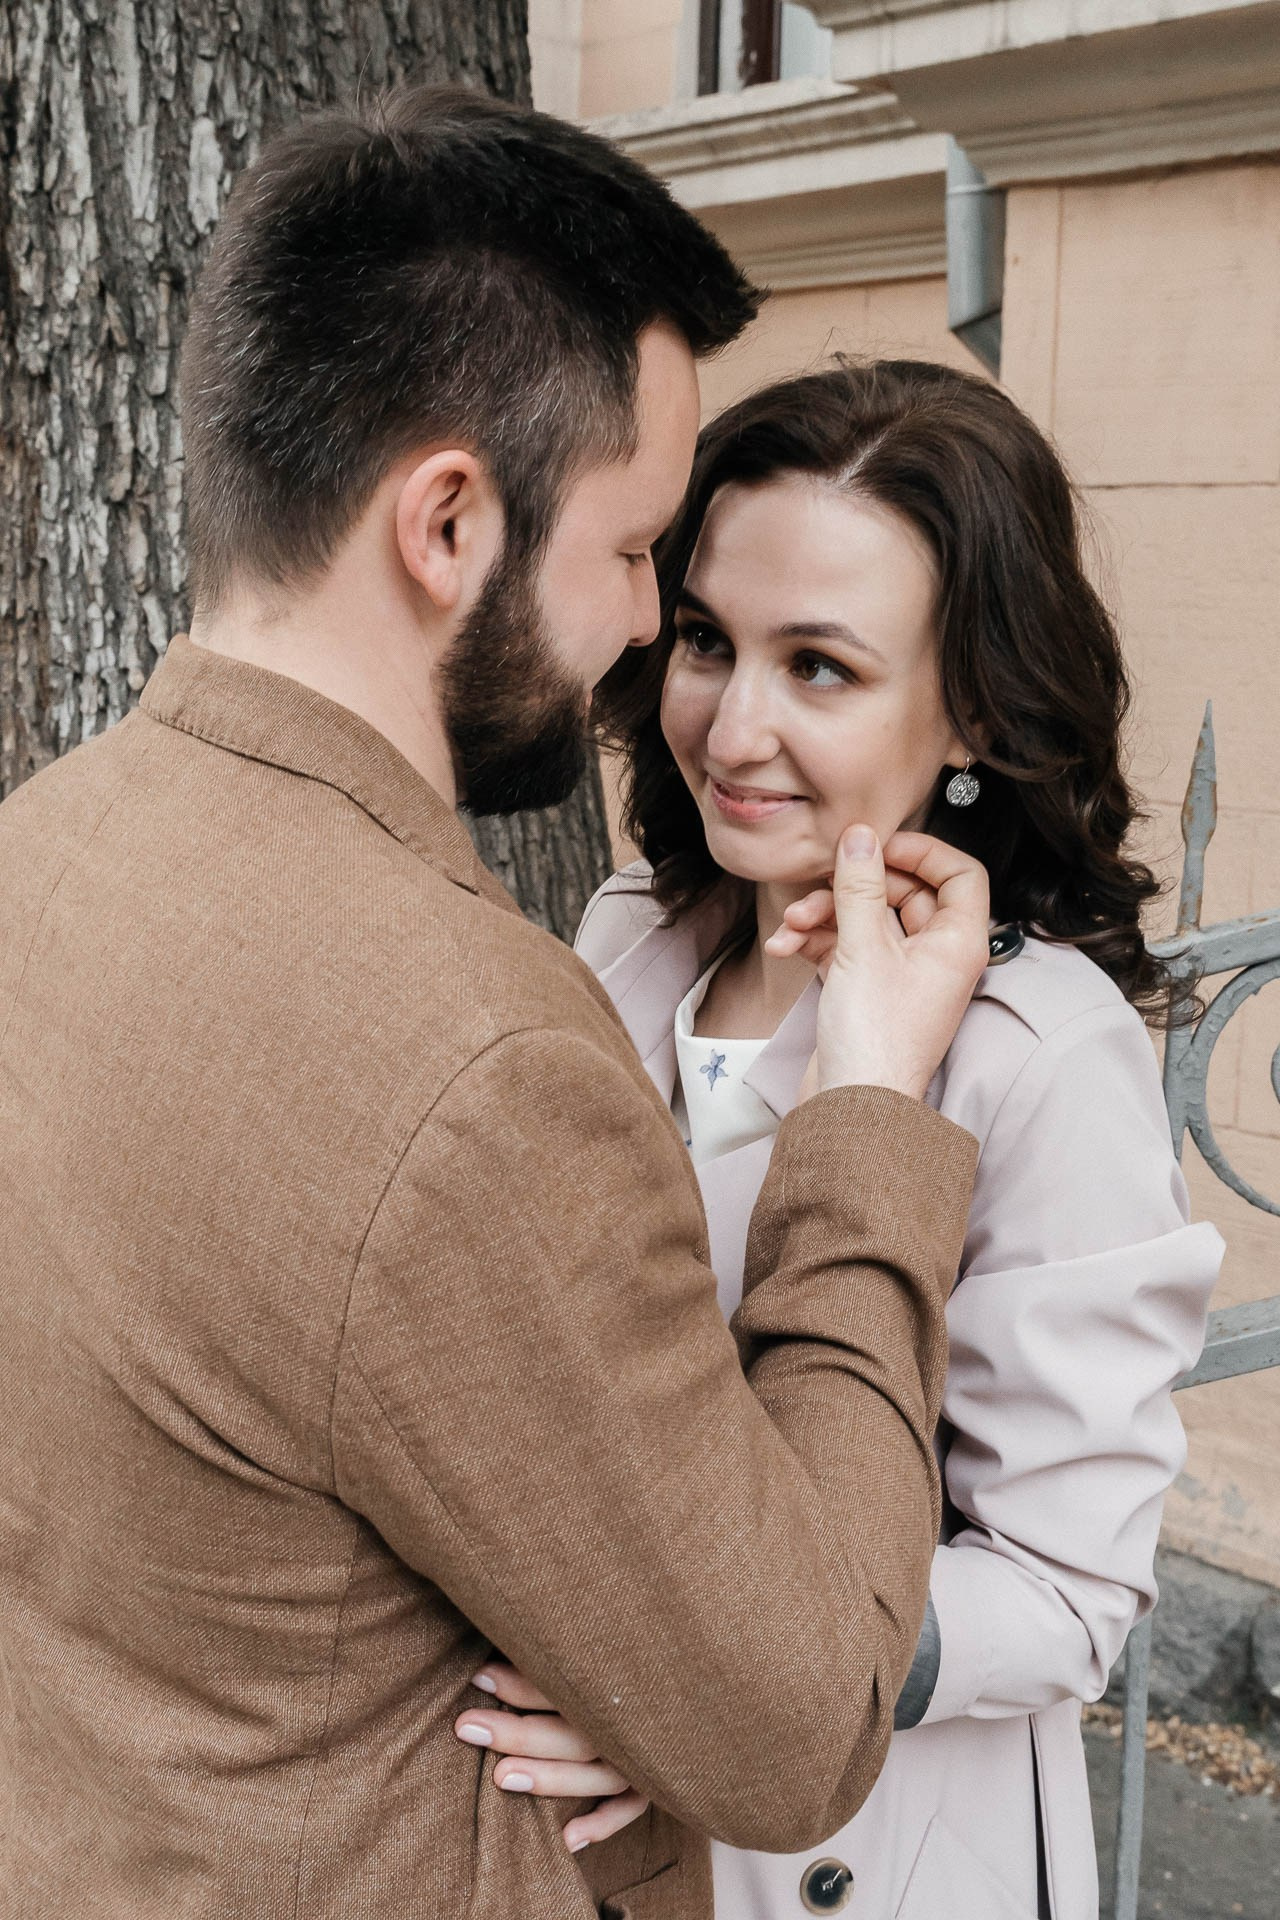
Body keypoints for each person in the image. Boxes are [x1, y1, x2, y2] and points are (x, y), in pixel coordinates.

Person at [0, 96, 996, 1919]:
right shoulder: (479, 1059)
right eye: (632, 555)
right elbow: (792, 1721)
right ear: (448, 522)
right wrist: (864, 1115)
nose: (643, 630)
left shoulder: (39, 853)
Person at [457, 361, 1223, 1920]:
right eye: (706, 640)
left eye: (820, 667)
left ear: (979, 712)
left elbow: (1070, 1587)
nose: (732, 725)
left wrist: (704, 1688)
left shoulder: (1037, 1051)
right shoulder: (631, 935)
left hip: (861, 1849)